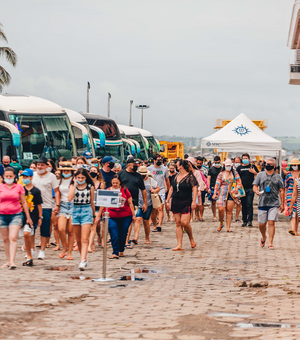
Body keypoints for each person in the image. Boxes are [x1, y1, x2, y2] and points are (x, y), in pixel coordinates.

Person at [0, 167, 33, 269]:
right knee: (5, 239)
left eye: (11, 176)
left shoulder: (19, 187)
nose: (9, 178)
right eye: (7, 176)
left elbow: (24, 203)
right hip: (2, 215)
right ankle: (8, 261)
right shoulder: (1, 187)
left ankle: (13, 261)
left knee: (13, 237)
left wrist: (28, 217)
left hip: (16, 215)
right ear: (3, 177)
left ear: (14, 176)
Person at [96, 175, 136, 259]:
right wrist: (99, 215)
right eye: (113, 183)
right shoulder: (108, 191)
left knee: (123, 233)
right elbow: (102, 204)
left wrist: (133, 215)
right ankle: (115, 252)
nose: (115, 184)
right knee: (114, 234)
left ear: (120, 183)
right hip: (111, 215)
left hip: (125, 215)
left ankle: (121, 249)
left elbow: (130, 203)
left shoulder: (125, 190)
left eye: (116, 183)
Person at [32, 156, 60, 260]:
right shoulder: (33, 175)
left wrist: (57, 205)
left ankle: (42, 250)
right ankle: (31, 250)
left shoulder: (51, 176)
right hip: (32, 205)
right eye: (38, 165)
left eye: (42, 165)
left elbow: (56, 191)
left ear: (46, 166)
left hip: (46, 205)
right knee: (31, 229)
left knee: (44, 228)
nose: (39, 167)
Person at [253, 158, 284, 249]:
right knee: (262, 224)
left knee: (271, 222)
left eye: (270, 164)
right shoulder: (260, 175)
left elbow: (281, 190)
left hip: (274, 203)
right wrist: (256, 191)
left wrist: (282, 203)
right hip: (262, 202)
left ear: (274, 166)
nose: (268, 165)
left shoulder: (278, 176)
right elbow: (254, 186)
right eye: (267, 163)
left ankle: (270, 242)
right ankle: (264, 237)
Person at [166, 159, 197, 251]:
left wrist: (194, 201)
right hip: (175, 201)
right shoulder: (176, 176)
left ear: (181, 166)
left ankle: (191, 237)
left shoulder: (190, 177)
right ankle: (179, 245)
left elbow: (194, 189)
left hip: (186, 201)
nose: (176, 166)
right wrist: (167, 200)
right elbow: (171, 189)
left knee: (185, 222)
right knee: (178, 223)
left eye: (177, 165)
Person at [68, 168, 95, 270]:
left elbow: (92, 202)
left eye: (82, 177)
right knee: (78, 239)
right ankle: (83, 258)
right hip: (75, 210)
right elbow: (69, 198)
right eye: (78, 177)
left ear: (86, 177)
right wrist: (75, 185)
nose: (80, 179)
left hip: (86, 210)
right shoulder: (72, 186)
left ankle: (82, 260)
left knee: (84, 238)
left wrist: (93, 216)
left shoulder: (90, 187)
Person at [118, 158, 147, 247]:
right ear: (129, 165)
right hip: (121, 201)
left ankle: (127, 241)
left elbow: (143, 190)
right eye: (134, 165)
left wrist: (145, 203)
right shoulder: (120, 174)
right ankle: (121, 238)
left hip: (134, 201)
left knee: (129, 220)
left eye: (137, 165)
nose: (136, 166)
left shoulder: (138, 176)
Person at [212, 159, 242, 232]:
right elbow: (217, 184)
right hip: (222, 193)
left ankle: (228, 227)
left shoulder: (235, 173)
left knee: (229, 211)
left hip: (231, 193)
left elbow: (239, 182)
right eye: (227, 166)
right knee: (221, 209)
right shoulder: (221, 174)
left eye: (229, 166)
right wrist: (215, 193)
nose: (228, 167)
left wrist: (237, 188)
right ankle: (221, 222)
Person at [21, 169, 43, 266]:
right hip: (22, 215)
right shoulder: (21, 189)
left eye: (27, 176)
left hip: (33, 216)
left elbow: (39, 205)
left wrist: (40, 217)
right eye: (24, 177)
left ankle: (29, 254)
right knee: (29, 235)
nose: (25, 178)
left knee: (27, 233)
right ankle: (31, 251)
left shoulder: (36, 190)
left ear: (31, 177)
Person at [133, 166, 160, 244]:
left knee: (146, 221)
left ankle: (147, 238)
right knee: (138, 219)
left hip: (148, 203)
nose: (143, 176)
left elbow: (158, 188)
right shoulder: (136, 180)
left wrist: (154, 190)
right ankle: (136, 237)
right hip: (138, 203)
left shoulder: (151, 180)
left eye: (144, 174)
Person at [56, 162, 76, 260]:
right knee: (61, 228)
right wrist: (57, 205)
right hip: (63, 205)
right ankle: (64, 247)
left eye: (68, 170)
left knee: (71, 231)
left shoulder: (74, 181)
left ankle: (69, 253)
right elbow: (57, 193)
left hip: (73, 205)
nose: (66, 172)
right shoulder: (59, 181)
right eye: (64, 170)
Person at [148, 154, 170, 232]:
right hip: (152, 190)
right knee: (153, 209)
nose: (160, 161)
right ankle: (154, 225)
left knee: (160, 208)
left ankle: (159, 225)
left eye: (161, 159)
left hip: (161, 189)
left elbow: (167, 179)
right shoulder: (149, 168)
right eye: (158, 159)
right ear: (154, 160)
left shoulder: (164, 169)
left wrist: (169, 188)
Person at [236, 153, 258, 227]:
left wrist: (254, 172)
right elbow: (236, 178)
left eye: (246, 158)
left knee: (249, 204)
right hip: (242, 189)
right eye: (243, 158)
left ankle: (250, 220)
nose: (245, 159)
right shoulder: (239, 168)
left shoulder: (252, 166)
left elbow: (259, 175)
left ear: (249, 159)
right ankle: (244, 220)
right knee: (244, 205)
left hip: (250, 188)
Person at [88, 166, 106, 252]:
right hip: (89, 206)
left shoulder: (101, 184)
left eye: (94, 171)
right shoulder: (87, 183)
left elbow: (103, 198)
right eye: (91, 170)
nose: (92, 172)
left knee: (96, 224)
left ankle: (97, 237)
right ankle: (91, 243)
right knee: (92, 226)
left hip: (98, 206)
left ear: (98, 173)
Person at [285, 158, 300, 236]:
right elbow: (286, 186)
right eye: (293, 165)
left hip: (299, 194)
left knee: (297, 213)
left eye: (295, 165)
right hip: (290, 194)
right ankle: (293, 229)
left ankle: (295, 231)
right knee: (292, 210)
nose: (294, 166)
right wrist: (285, 197)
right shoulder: (289, 174)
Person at [207, 156, 222, 222]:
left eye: (218, 162)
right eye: (215, 162)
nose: (217, 163)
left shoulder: (222, 169)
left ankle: (220, 216)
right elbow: (208, 179)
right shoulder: (211, 169)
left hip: (221, 187)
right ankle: (214, 216)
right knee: (213, 202)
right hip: (213, 186)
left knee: (221, 203)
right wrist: (208, 187)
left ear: (220, 161)